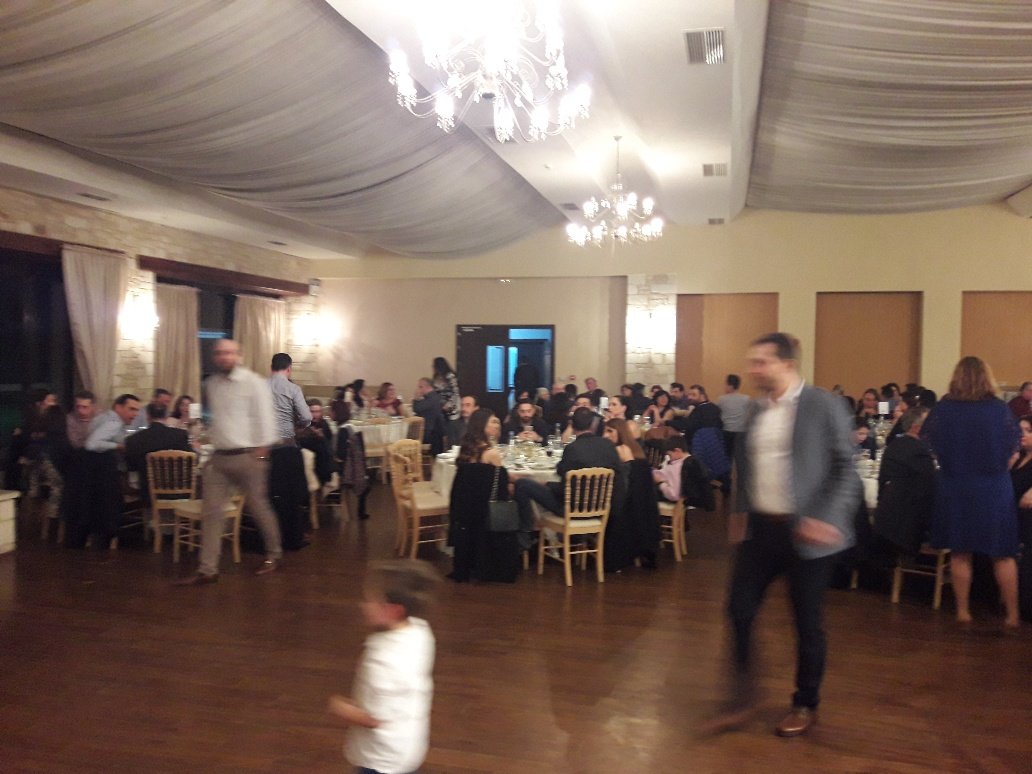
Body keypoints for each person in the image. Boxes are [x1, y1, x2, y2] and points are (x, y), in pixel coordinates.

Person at [705, 332, 859, 738]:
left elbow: (846, 468)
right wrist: (739, 514)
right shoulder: (756, 410)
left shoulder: (823, 405)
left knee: (807, 622)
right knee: (739, 609)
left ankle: (805, 702)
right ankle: (744, 697)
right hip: (762, 529)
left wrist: (826, 517)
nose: (753, 369)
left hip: (808, 533)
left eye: (761, 362)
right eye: (752, 361)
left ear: (787, 364)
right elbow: (746, 466)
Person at [922, 356, 1020, 630]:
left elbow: (929, 442)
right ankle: (1012, 615)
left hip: (956, 485)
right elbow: (1013, 447)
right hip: (994, 486)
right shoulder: (999, 409)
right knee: (1003, 553)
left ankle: (963, 611)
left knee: (960, 551)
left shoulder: (944, 409)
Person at [175, 339, 283, 585]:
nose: (224, 357)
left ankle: (274, 554)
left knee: (258, 507)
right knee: (211, 512)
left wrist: (261, 453)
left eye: (229, 353)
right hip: (219, 457)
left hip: (248, 456)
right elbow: (216, 419)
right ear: (215, 357)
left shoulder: (253, 382)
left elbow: (267, 419)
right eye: (220, 353)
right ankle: (207, 570)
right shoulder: (211, 384)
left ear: (239, 355)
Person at [328, 559, 438, 774]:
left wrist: (342, 708)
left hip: (381, 756)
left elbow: (374, 719)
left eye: (369, 600)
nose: (362, 604)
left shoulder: (383, 660)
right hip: (410, 742)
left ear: (393, 610)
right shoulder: (419, 631)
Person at [514, 407, 622, 528]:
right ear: (593, 425)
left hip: (572, 509)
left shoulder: (573, 448)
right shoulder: (609, 445)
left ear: (572, 425)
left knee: (522, 484)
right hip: (602, 507)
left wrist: (547, 484)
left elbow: (564, 485)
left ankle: (526, 533)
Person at [448, 409, 517, 582]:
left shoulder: (466, 450)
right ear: (482, 426)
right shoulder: (491, 453)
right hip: (486, 509)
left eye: (497, 422)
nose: (497, 425)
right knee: (522, 494)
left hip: (465, 508)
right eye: (493, 422)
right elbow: (502, 483)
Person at [71, 394, 141, 550]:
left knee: (91, 505)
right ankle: (108, 538)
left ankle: (90, 537)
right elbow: (92, 444)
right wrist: (118, 446)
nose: (135, 414)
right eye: (131, 409)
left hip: (88, 470)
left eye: (137, 410)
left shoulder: (102, 418)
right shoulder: (114, 422)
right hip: (102, 470)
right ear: (118, 407)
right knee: (110, 503)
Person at [873, 407, 936, 556]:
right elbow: (929, 491)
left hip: (883, 520)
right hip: (906, 527)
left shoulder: (893, 446)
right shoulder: (919, 452)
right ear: (916, 428)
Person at [124, 401, 192, 505]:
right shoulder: (180, 435)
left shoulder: (133, 440)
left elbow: (132, 475)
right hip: (180, 493)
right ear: (166, 416)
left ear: (148, 416)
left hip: (149, 496)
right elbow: (191, 462)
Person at [1009, 415, 1032, 623]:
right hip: (1013, 516)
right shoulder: (1018, 457)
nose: (1022, 434)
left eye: (1028, 431)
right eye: (1020, 430)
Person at [269, 352, 311, 445]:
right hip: (286, 437)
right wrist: (298, 425)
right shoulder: (294, 389)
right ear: (289, 369)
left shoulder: (259, 386)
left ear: (271, 368)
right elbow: (306, 417)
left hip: (264, 438)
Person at [717, 374, 750, 459]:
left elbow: (718, 415)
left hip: (727, 431)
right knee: (741, 458)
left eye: (725, 384)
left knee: (727, 457)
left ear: (730, 386)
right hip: (741, 432)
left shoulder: (722, 399)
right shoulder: (746, 399)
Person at [431, 357, 461, 446]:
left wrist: (448, 405)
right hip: (440, 408)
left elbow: (455, 392)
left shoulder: (450, 376)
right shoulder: (436, 378)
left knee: (451, 430)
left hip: (451, 408)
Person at [413, 377, 447, 456]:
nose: (419, 389)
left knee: (407, 436)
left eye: (420, 387)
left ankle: (412, 459)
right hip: (436, 432)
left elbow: (417, 409)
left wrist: (416, 398)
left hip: (429, 433)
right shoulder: (436, 397)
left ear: (427, 386)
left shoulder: (431, 399)